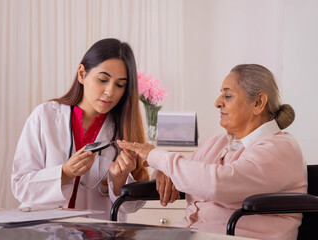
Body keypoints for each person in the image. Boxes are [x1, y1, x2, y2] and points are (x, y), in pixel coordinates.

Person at [118, 64, 307, 240]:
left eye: (227, 96)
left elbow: (217, 183)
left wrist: (158, 157)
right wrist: (164, 172)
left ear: (258, 102)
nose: (217, 103)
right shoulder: (218, 143)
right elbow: (188, 171)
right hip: (190, 233)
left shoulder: (280, 148)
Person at [11, 38, 149, 221]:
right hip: (44, 230)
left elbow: (133, 207)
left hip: (97, 231)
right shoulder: (45, 116)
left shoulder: (125, 129)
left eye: (119, 85)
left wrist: (119, 181)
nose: (110, 92)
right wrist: (65, 172)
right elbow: (21, 186)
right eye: (102, 79)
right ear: (82, 74)